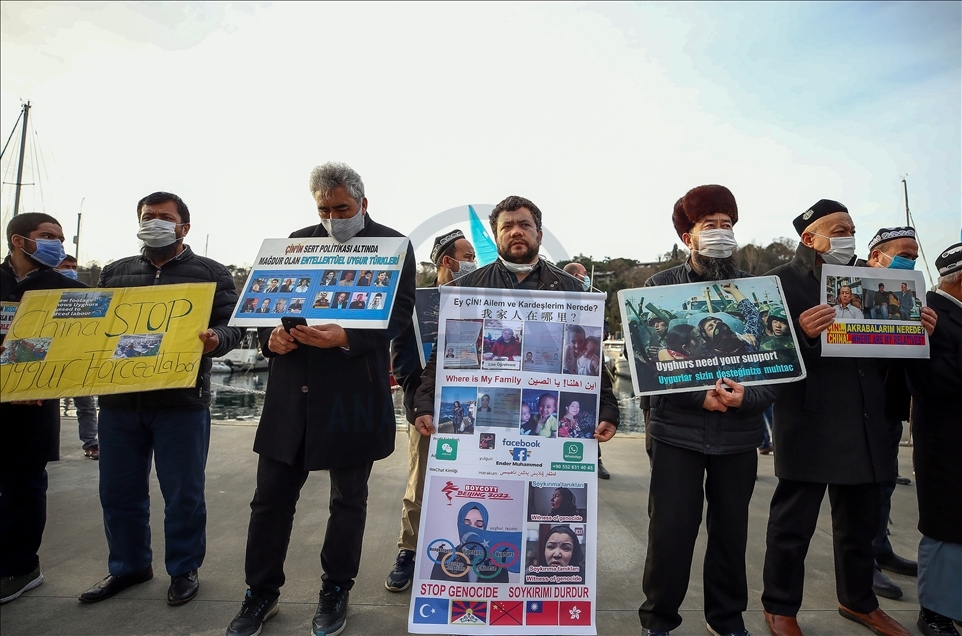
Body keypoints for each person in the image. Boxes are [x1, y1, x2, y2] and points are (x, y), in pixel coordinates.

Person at [225, 162, 415, 636]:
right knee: (269, 500)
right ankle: (260, 593)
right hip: (292, 391)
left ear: (363, 203)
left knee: (348, 501)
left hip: (352, 393)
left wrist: (348, 335)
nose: (333, 218)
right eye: (324, 209)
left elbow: (401, 312)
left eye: (342, 208)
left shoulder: (395, 245)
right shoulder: (297, 241)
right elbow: (276, 309)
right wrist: (273, 336)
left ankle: (336, 589)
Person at [761, 199, 924, 636]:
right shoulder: (778, 282)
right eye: (836, 228)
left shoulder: (873, 281)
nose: (846, 235)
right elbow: (763, 356)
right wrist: (804, 334)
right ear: (809, 237)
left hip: (866, 417)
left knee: (861, 524)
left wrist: (916, 330)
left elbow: (891, 356)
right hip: (808, 420)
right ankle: (780, 607)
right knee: (792, 527)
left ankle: (858, 601)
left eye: (851, 227)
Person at [78, 192, 243, 608]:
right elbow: (94, 330)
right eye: (147, 216)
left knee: (183, 494)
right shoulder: (115, 273)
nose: (155, 222)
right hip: (119, 403)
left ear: (183, 226)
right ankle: (128, 567)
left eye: (164, 217)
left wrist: (216, 340)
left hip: (181, 404)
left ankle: (184, 568)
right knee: (118, 492)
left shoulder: (211, 272)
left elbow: (233, 326)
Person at [637, 185, 774, 636]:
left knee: (732, 534)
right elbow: (651, 368)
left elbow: (777, 367)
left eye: (727, 225)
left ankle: (727, 617)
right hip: (677, 432)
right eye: (709, 226)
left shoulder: (757, 292)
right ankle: (658, 620)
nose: (720, 233)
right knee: (671, 533)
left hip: (738, 435)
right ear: (687, 237)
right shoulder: (660, 287)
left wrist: (745, 398)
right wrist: (699, 397)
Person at [413, 195, 618, 457]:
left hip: (547, 435)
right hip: (489, 421)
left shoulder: (571, 288)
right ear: (496, 237)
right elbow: (442, 354)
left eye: (524, 225)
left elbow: (591, 358)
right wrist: (424, 404)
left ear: (539, 235)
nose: (516, 231)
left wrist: (608, 410)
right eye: (506, 227)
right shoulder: (466, 289)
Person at [0, 213, 87, 605]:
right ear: (19, 241)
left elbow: (84, 351)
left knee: (25, 487)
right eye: (47, 236)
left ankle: (21, 568)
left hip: (34, 406)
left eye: (61, 237)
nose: (58, 244)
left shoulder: (67, 289)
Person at [385, 229, 477, 594]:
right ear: (447, 261)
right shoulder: (416, 304)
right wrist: (418, 403)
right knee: (419, 484)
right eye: (467, 254)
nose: (473, 261)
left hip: (472, 408)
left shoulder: (482, 299)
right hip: (426, 412)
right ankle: (408, 551)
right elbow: (402, 363)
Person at [864, 226, 928, 600]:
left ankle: (880, 548)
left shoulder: (914, 297)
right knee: (863, 491)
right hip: (857, 409)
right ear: (877, 257)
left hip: (891, 407)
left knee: (886, 481)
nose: (910, 261)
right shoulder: (851, 288)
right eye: (903, 253)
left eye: (915, 256)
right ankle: (863, 563)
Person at [904, 243, 962, 636]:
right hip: (947, 440)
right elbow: (930, 383)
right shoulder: (925, 314)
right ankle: (936, 611)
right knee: (947, 526)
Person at [54, 255, 101, 460]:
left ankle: (91, 443)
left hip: (77, 357)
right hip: (48, 357)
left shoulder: (84, 293)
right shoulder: (41, 291)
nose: (71, 270)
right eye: (66, 267)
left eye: (73, 267)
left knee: (86, 405)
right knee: (45, 408)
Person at [431, 503, 510, 583]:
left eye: (479, 524)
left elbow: (503, 594)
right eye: (467, 524)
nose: (472, 528)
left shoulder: (498, 564)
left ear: (485, 527)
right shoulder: (444, 558)